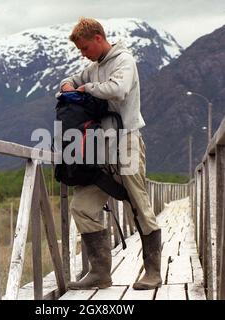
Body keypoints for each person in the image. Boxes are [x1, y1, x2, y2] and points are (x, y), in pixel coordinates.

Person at [59, 17, 162, 290]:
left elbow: (118, 89)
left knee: (138, 204)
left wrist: (86, 88)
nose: (83, 54)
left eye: (84, 48)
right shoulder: (94, 67)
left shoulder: (123, 60)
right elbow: (71, 79)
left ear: (97, 38)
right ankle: (100, 273)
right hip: (99, 147)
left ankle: (152, 271)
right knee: (82, 207)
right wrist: (68, 84)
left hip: (126, 141)